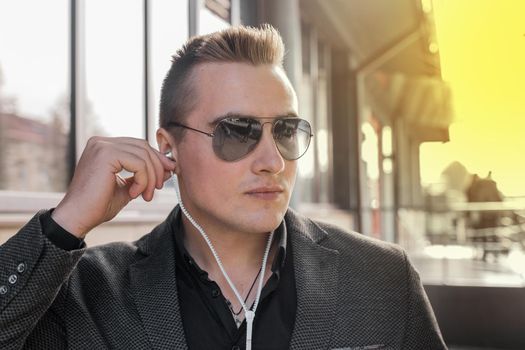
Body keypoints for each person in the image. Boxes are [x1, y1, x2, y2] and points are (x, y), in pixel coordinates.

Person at [0, 25, 447, 349]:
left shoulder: (383, 280)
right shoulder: (87, 293)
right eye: (237, 131)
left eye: (286, 131)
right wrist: (66, 223)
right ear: (167, 147)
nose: (273, 161)